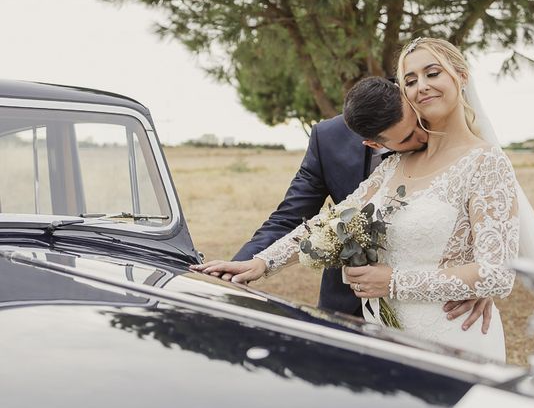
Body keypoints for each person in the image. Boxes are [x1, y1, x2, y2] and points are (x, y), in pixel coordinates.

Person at [192, 38, 512, 359]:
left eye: (432, 73)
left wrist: (395, 283)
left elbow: (497, 274)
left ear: (461, 76)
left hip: (453, 336)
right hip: (386, 336)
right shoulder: (395, 166)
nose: (422, 87)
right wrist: (263, 263)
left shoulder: (485, 162)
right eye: (411, 80)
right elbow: (329, 223)